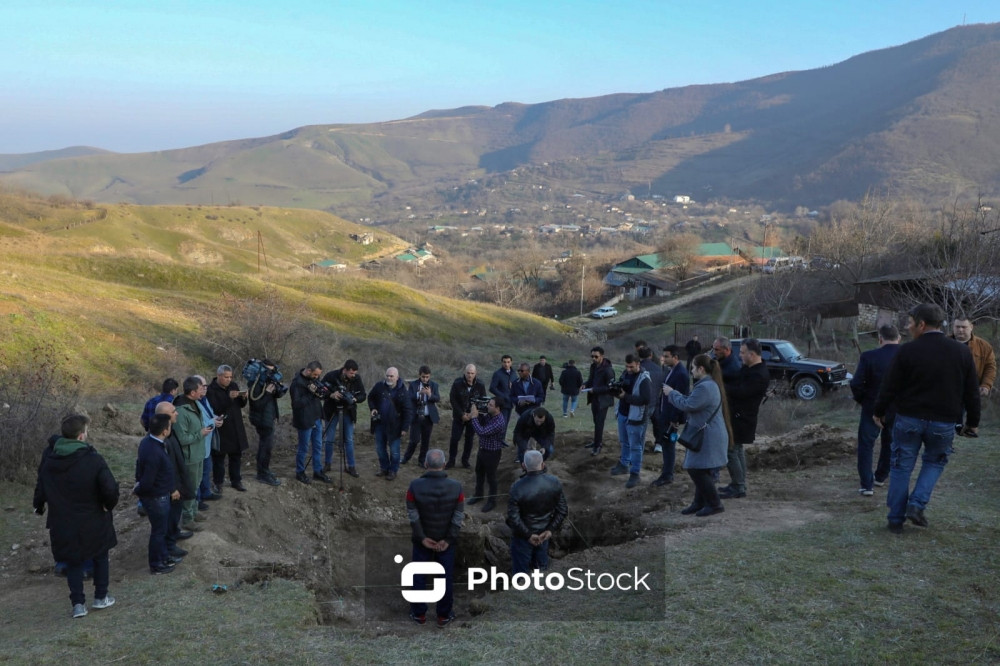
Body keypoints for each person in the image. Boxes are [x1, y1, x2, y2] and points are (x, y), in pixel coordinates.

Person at [874, 303, 980, 533]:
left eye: (911, 323)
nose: (908, 327)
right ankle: (917, 504)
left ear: (921, 324)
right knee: (934, 462)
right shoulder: (961, 351)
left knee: (901, 466)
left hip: (909, 419)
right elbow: (971, 390)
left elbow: (889, 386)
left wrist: (879, 411)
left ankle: (895, 519)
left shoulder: (907, 351)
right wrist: (973, 422)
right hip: (943, 422)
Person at [33, 414, 119, 618]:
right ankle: (101, 597)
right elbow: (109, 489)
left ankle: (78, 605)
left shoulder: (49, 459)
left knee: (73, 561)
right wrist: (109, 505)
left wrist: (39, 505)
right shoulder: (93, 459)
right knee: (100, 555)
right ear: (81, 436)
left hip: (62, 519)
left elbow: (41, 485)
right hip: (93, 517)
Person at [664, 354, 733, 517]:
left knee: (695, 469)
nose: (692, 371)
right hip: (708, 435)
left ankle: (715, 504)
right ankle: (699, 503)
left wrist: (672, 393)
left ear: (701, 369)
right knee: (702, 469)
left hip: (708, 436)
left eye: (693, 368)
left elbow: (688, 404)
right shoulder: (707, 384)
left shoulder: (705, 387)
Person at [405, 449, 465, 628]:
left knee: (419, 576)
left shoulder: (414, 486)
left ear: (426, 464)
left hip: (422, 540)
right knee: (444, 577)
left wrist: (422, 538)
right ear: (444, 465)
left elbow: (412, 514)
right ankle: (444, 616)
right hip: (446, 542)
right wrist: (448, 539)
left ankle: (419, 614)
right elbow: (458, 516)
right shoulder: (456, 487)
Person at [850, 325, 900, 496]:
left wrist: (864, 401)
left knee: (866, 445)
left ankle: (866, 484)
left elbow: (856, 384)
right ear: (898, 338)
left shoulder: (869, 356)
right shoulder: (907, 356)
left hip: (872, 406)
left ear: (880, 339)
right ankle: (881, 476)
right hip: (897, 408)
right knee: (890, 442)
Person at [719, 338, 769, 500]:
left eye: (742, 353)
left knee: (731, 450)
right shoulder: (749, 369)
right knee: (737, 449)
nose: (739, 356)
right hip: (738, 415)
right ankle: (737, 483)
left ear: (752, 354)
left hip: (742, 418)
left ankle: (739, 486)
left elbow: (742, 392)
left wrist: (721, 387)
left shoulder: (759, 374)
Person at [506, 450, 567, 574]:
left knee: (520, 574)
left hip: (522, 537)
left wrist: (528, 535)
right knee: (541, 572)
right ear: (543, 464)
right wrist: (550, 530)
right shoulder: (554, 482)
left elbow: (513, 517)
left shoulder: (517, 487)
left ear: (523, 466)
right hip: (543, 535)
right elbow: (562, 510)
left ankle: (520, 592)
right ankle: (540, 592)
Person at [134, 413, 181, 575]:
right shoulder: (155, 451)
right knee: (159, 532)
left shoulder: (148, 442)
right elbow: (148, 480)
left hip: (159, 494)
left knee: (161, 529)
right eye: (169, 426)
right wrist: (139, 490)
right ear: (165, 431)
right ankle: (156, 564)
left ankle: (164, 557)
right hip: (156, 497)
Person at [154, 400, 195, 553]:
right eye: (173, 411)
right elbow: (165, 468)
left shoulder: (171, 431)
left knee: (175, 514)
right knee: (170, 517)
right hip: (171, 487)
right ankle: (170, 546)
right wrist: (173, 489)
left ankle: (175, 533)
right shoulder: (162, 439)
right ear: (164, 416)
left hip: (177, 481)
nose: (176, 413)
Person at [173, 376, 213, 530]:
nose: (203, 389)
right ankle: (187, 519)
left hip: (198, 453)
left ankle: (194, 511)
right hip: (189, 457)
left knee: (195, 485)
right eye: (200, 388)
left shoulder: (195, 403)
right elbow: (182, 438)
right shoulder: (181, 411)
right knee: (189, 487)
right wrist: (200, 434)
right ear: (192, 392)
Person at [609, 354, 652, 488]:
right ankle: (624, 464)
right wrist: (615, 391)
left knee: (635, 446)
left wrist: (625, 396)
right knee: (624, 442)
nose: (628, 369)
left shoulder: (644, 379)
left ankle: (635, 473)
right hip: (623, 413)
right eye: (626, 366)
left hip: (636, 417)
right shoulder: (625, 374)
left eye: (631, 367)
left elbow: (645, 400)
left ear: (638, 364)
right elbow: (621, 390)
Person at [207, 365, 250, 492]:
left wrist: (243, 398)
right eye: (226, 377)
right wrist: (229, 398)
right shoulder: (211, 390)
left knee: (236, 456)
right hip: (222, 428)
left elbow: (240, 405)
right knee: (219, 458)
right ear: (219, 376)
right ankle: (218, 483)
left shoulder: (234, 385)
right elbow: (215, 408)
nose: (229, 379)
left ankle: (236, 480)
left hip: (236, 426)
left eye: (230, 377)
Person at [321, 359, 367, 478]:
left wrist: (354, 399)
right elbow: (320, 389)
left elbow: (363, 395)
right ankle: (327, 464)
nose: (353, 375)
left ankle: (351, 466)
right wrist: (331, 395)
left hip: (348, 411)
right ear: (345, 370)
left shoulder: (357, 379)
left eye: (355, 373)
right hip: (332, 410)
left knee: (349, 439)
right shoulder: (331, 376)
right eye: (351, 373)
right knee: (329, 438)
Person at [652, 345, 689, 486]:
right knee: (666, 444)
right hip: (665, 414)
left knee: (668, 445)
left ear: (675, 357)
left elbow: (681, 398)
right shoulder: (671, 370)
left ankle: (667, 475)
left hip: (671, 418)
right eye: (663, 356)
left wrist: (675, 419)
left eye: (667, 356)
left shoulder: (681, 374)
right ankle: (666, 473)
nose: (663, 358)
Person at [368, 367, 414, 481]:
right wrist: (373, 408)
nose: (389, 378)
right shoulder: (379, 386)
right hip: (379, 423)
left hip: (395, 426)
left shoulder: (403, 392)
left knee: (394, 451)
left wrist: (405, 427)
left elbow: (408, 410)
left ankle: (393, 470)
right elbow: (370, 397)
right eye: (387, 375)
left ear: (397, 377)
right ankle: (384, 468)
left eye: (391, 376)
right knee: (380, 449)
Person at [247, 359, 287, 486]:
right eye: (270, 370)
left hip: (268, 418)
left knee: (266, 446)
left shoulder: (265, 382)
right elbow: (257, 404)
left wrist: (275, 391)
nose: (272, 373)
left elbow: (272, 397)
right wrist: (268, 393)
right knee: (266, 447)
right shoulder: (256, 383)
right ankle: (262, 474)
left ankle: (264, 470)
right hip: (262, 420)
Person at [467, 396, 508, 513]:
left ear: (498, 408)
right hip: (483, 449)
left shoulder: (499, 422)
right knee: (479, 473)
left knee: (491, 477)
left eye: (490, 405)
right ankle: (478, 495)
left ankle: (492, 501)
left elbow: (481, 432)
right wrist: (478, 414)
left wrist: (474, 417)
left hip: (492, 453)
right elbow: (482, 422)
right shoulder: (490, 415)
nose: (487, 406)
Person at [290, 361, 328, 484]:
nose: (317, 377)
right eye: (315, 375)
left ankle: (318, 471)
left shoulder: (314, 380)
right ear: (308, 371)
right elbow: (296, 404)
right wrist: (311, 394)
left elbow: (320, 394)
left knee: (318, 446)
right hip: (304, 420)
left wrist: (320, 392)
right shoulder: (297, 384)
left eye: (318, 375)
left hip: (316, 416)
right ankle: (300, 472)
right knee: (304, 447)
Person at [447, 364, 488, 469]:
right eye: (468, 373)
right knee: (455, 438)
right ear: (464, 373)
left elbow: (483, 402)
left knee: (469, 439)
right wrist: (461, 414)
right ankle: (451, 461)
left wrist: (471, 415)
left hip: (473, 417)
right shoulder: (457, 383)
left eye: (472, 373)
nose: (470, 375)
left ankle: (465, 461)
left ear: (476, 373)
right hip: (458, 416)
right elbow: (453, 399)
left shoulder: (480, 385)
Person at [403, 365, 440, 467]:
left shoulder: (434, 385)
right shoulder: (413, 385)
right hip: (416, 416)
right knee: (414, 440)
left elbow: (437, 398)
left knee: (425, 441)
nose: (425, 379)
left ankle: (422, 461)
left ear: (430, 376)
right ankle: (406, 458)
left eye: (427, 377)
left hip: (428, 418)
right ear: (419, 375)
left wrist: (429, 395)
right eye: (423, 377)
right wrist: (419, 394)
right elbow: (408, 397)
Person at [951, 316, 996, 398]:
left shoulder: (984, 346)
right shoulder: (943, 343)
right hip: (947, 392)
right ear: (953, 327)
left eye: (964, 327)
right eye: (957, 327)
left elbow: (990, 367)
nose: (960, 330)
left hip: (972, 392)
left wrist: (986, 385)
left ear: (971, 327)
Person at [583, 346, 615, 456]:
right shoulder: (593, 366)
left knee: (599, 423)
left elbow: (610, 387)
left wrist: (595, 390)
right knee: (596, 422)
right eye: (592, 356)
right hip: (594, 398)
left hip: (603, 400)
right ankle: (596, 441)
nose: (593, 358)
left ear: (602, 356)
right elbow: (591, 380)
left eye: (596, 356)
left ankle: (598, 445)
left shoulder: (608, 370)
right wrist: (585, 384)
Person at [638, 345, 664, 452]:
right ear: (651, 355)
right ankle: (658, 444)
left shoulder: (638, 368)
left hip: (642, 402)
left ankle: (640, 444)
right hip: (656, 400)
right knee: (657, 423)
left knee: (641, 425)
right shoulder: (659, 368)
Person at [489, 355, 515, 428]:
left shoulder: (514, 374)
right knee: (501, 425)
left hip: (511, 403)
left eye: (508, 362)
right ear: (502, 363)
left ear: (511, 363)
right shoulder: (498, 374)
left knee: (506, 425)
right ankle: (499, 439)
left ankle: (502, 439)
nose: (506, 364)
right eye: (504, 362)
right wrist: (504, 397)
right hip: (502, 404)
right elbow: (492, 388)